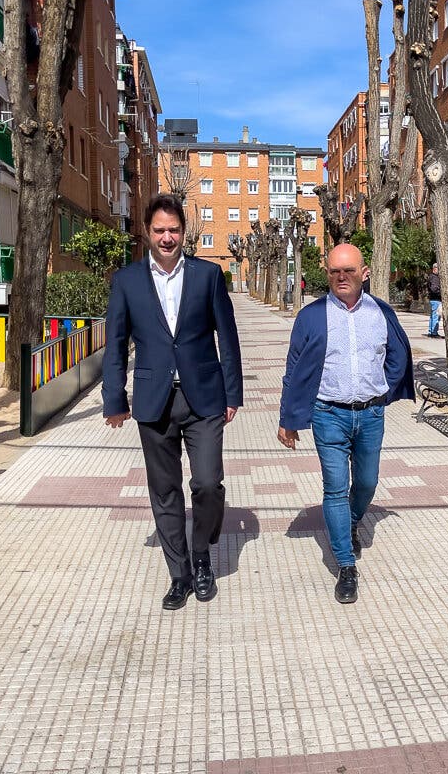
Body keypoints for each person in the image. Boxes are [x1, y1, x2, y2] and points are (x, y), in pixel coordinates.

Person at [102, 193, 243, 611]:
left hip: (204, 398)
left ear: (185, 233)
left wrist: (232, 393)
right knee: (164, 491)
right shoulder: (126, 281)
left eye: (174, 230)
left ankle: (202, 552)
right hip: (153, 400)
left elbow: (228, 338)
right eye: (160, 230)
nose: (167, 237)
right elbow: (115, 343)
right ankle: (180, 574)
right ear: (147, 232)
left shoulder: (208, 276)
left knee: (205, 483)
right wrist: (114, 398)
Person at [276, 243, 414, 604]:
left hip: (370, 415)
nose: (341, 277)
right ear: (327, 272)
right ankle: (346, 565)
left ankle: (351, 521)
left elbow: (398, 355)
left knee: (367, 482)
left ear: (363, 273)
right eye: (335, 270)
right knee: (335, 488)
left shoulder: (382, 313)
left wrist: (383, 392)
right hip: (328, 414)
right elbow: (293, 368)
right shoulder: (311, 316)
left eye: (348, 271)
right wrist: (287, 418)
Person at [425, 262, 442, 338]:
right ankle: (434, 332)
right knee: (436, 316)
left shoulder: (431, 277)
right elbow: (434, 289)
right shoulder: (434, 278)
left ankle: (431, 331)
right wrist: (441, 292)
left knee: (433, 316)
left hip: (433, 299)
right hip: (436, 299)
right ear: (435, 269)